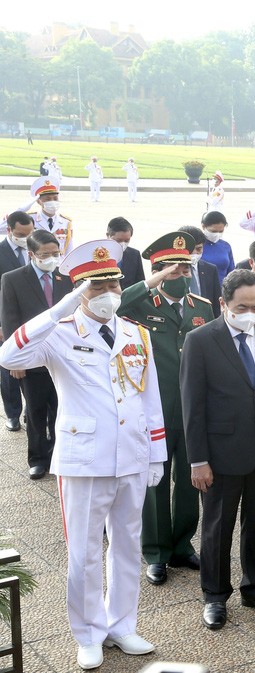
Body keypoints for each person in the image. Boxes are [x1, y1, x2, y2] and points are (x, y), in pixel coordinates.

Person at [0, 239, 166, 670]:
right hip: (85, 457)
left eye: (113, 284)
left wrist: (156, 454)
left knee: (128, 545)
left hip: (131, 453)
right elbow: (9, 354)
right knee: (86, 551)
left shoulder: (135, 332)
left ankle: (121, 625)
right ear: (78, 291)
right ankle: (88, 631)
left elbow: (150, 397)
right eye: (97, 287)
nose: (109, 293)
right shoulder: (58, 333)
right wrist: (59, 309)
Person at [180, 269, 255, 630]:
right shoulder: (200, 340)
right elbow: (192, 407)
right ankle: (214, 596)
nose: (250, 312)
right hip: (220, 453)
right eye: (242, 306)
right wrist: (198, 461)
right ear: (223, 304)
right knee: (217, 528)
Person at [117, 232, 215, 586]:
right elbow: (113, 306)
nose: (181, 274)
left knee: (190, 480)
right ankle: (156, 552)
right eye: (172, 270)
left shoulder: (202, 306)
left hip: (191, 410)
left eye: (185, 267)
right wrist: (152, 281)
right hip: (153, 411)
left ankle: (181, 545)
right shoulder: (141, 304)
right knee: (154, 482)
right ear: (157, 272)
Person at [1, 230, 72, 480]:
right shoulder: (13, 279)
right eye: (45, 255)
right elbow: (10, 321)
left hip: (62, 357)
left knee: (61, 408)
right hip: (32, 360)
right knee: (35, 411)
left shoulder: (66, 277)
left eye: (55, 253)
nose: (52, 258)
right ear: (32, 254)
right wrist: (16, 360)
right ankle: (38, 458)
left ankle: (57, 455)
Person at [0, 212, 31, 433]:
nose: (25, 238)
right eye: (21, 234)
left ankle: (32, 410)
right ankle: (12, 414)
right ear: (9, 230)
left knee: (35, 367)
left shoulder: (36, 248)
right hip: (6, 320)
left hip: (32, 318)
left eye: (29, 234)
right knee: (9, 369)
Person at [177, 225, 222, 315]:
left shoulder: (210, 269)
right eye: (190, 249)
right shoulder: (172, 270)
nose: (194, 253)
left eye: (198, 249)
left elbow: (216, 305)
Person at [25, 176, 73, 255]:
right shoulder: (30, 219)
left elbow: (69, 249)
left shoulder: (66, 222)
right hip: (38, 262)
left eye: (55, 198)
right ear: (38, 201)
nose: (52, 201)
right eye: (48, 199)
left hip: (59, 264)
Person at [107, 217, 146, 290]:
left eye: (127, 241)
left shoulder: (134, 255)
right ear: (108, 236)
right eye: (118, 240)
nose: (123, 244)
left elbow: (140, 283)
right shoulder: (97, 256)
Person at [201, 211, 235, 286]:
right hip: (203, 290)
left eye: (221, 231)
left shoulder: (226, 246)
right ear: (203, 226)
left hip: (222, 291)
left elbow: (231, 272)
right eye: (213, 231)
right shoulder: (198, 246)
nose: (217, 234)